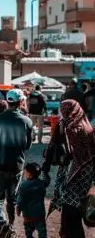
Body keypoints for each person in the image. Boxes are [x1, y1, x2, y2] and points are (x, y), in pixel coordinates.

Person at [0, 88, 34, 237]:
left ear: (8, 101)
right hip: (17, 164)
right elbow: (27, 146)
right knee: (12, 200)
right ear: (20, 102)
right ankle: (10, 226)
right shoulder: (27, 121)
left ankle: (2, 223)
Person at [43, 99, 95, 238]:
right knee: (75, 209)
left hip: (74, 173)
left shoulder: (69, 127)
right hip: (86, 173)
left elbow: (54, 147)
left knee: (70, 211)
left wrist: (46, 166)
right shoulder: (86, 125)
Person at [16, 162, 50, 238]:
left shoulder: (24, 185)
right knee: (42, 231)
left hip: (28, 215)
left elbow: (21, 199)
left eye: (25, 172)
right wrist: (45, 173)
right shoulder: (41, 183)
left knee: (28, 232)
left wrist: (18, 209)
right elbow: (47, 181)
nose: (24, 173)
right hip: (39, 214)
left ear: (29, 173)